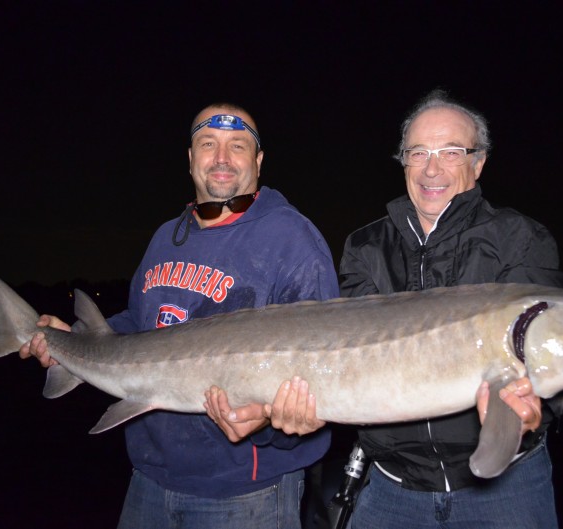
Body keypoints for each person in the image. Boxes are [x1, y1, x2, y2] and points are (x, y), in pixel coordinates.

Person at [20, 103, 340, 529]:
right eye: (209, 144)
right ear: (191, 159)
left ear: (258, 162)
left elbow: (324, 367)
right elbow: (140, 325)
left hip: (244, 491)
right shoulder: (167, 236)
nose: (222, 158)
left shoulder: (291, 239)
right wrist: (74, 338)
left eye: (238, 146)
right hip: (149, 479)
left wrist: (268, 418)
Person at [337, 89, 563, 528]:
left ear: (478, 163)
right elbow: (348, 359)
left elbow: (549, 348)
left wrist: (537, 405)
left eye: (451, 152)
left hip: (506, 487)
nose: (432, 168)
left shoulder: (520, 238)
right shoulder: (364, 247)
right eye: (418, 152)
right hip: (393, 487)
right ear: (403, 161)